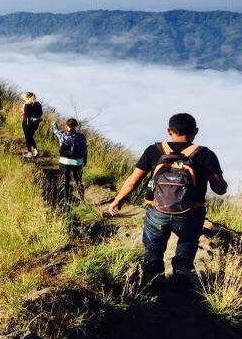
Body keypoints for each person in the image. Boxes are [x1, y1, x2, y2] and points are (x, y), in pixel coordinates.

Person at [107, 113, 228, 285]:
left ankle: (153, 283)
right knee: (187, 242)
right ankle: (180, 272)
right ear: (196, 131)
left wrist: (118, 200)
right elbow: (220, 189)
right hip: (191, 213)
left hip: (157, 211)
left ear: (169, 131)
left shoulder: (154, 150)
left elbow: (133, 181)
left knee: (153, 249)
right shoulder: (205, 154)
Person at [52, 118, 87, 202]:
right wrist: (84, 160)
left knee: (65, 180)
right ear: (76, 126)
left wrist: (54, 125)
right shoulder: (81, 137)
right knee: (78, 181)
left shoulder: (63, 134)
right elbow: (85, 150)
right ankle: (82, 199)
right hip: (78, 161)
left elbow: (56, 131)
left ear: (66, 125)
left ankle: (66, 199)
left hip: (64, 161)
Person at [20, 92, 43, 158]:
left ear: (27, 97)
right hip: (36, 123)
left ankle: (29, 153)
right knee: (30, 137)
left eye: (24, 96)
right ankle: (36, 151)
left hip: (27, 123)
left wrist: (23, 111)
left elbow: (26, 115)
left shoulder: (26, 104)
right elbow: (40, 113)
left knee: (27, 138)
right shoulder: (38, 104)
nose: (23, 97)